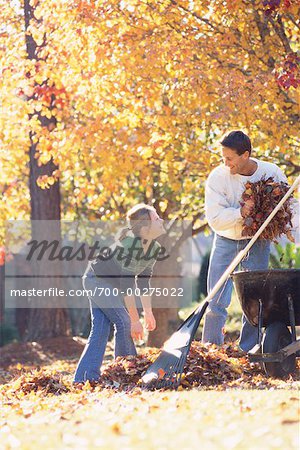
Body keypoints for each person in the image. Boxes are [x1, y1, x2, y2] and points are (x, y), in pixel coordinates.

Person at [202, 130, 296, 351]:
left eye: (230, 158)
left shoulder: (271, 172)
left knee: (255, 301)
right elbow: (215, 219)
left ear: (245, 155)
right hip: (226, 240)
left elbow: (287, 207)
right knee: (216, 300)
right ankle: (210, 350)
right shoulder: (217, 177)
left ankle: (249, 350)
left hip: (257, 241)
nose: (226, 163)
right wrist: (241, 213)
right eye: (223, 158)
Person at [73, 203, 166, 384]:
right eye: (156, 218)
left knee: (100, 329)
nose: (161, 220)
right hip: (96, 279)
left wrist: (148, 312)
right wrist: (135, 320)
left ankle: (84, 379)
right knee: (124, 321)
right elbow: (127, 286)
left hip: (110, 284)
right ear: (145, 227)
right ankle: (126, 374)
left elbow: (143, 281)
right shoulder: (130, 244)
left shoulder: (153, 248)